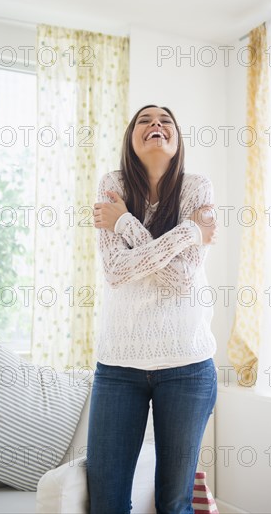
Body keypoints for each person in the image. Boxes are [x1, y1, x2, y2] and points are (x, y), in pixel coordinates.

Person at [87, 104, 219, 514]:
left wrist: (124, 224)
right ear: (131, 138)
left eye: (165, 121)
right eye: (144, 120)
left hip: (188, 366)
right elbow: (116, 271)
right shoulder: (112, 185)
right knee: (107, 503)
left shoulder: (197, 188)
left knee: (174, 503)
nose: (156, 125)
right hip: (118, 367)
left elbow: (181, 280)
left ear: (177, 139)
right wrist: (189, 233)